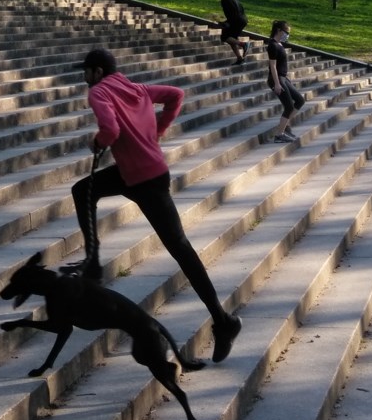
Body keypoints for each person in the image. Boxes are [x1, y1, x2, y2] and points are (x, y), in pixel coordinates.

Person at [66, 47, 242, 363]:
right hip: (141, 172)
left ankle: (224, 320)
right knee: (83, 191)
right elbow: (176, 95)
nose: (84, 78)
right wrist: (156, 132)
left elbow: (110, 130)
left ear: (96, 71)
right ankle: (92, 261)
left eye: (85, 72)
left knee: (181, 248)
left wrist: (98, 143)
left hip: (145, 179)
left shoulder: (99, 93)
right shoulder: (137, 89)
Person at [266, 20, 305, 142]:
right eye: (286, 32)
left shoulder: (280, 44)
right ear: (278, 30)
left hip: (284, 78)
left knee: (299, 100)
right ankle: (279, 134)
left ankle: (285, 125)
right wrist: (277, 84)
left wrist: (285, 79)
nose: (287, 35)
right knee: (288, 106)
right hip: (276, 79)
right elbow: (272, 66)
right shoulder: (272, 45)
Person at [212, 0, 250, 64]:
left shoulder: (225, 0)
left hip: (237, 20)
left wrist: (226, 23)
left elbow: (232, 14)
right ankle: (240, 58)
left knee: (225, 37)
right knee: (232, 38)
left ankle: (243, 44)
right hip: (242, 19)